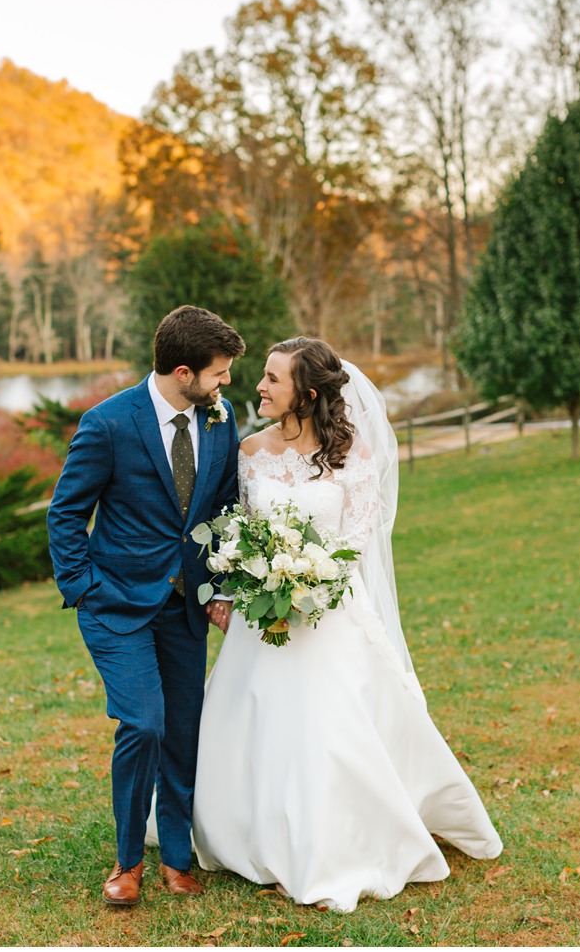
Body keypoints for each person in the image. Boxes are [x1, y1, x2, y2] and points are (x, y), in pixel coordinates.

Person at [187, 337, 503, 912]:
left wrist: (306, 582)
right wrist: (248, 586)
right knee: (256, 718)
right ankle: (248, 835)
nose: (259, 386)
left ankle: (328, 845)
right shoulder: (251, 450)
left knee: (324, 725)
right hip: (263, 619)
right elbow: (238, 528)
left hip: (326, 611)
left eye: (273, 379)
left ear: (305, 395)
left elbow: (359, 536)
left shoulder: (350, 455)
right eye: (261, 375)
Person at [47, 305, 244, 906]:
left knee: (182, 731)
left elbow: (224, 504)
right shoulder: (108, 424)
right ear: (183, 372)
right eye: (219, 373)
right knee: (144, 724)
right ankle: (129, 861)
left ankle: (178, 858)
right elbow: (65, 513)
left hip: (186, 606)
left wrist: (222, 584)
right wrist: (82, 588)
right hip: (115, 605)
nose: (227, 383)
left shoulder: (219, 418)